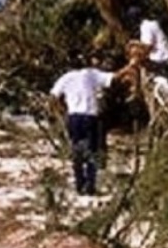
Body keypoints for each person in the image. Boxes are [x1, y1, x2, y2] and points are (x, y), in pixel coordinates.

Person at [49, 55, 128, 196]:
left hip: (73, 117)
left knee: (77, 150)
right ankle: (90, 185)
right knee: (92, 151)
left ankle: (80, 185)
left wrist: (61, 111)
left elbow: (53, 96)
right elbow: (114, 77)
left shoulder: (66, 77)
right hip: (90, 117)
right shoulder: (91, 74)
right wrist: (131, 65)